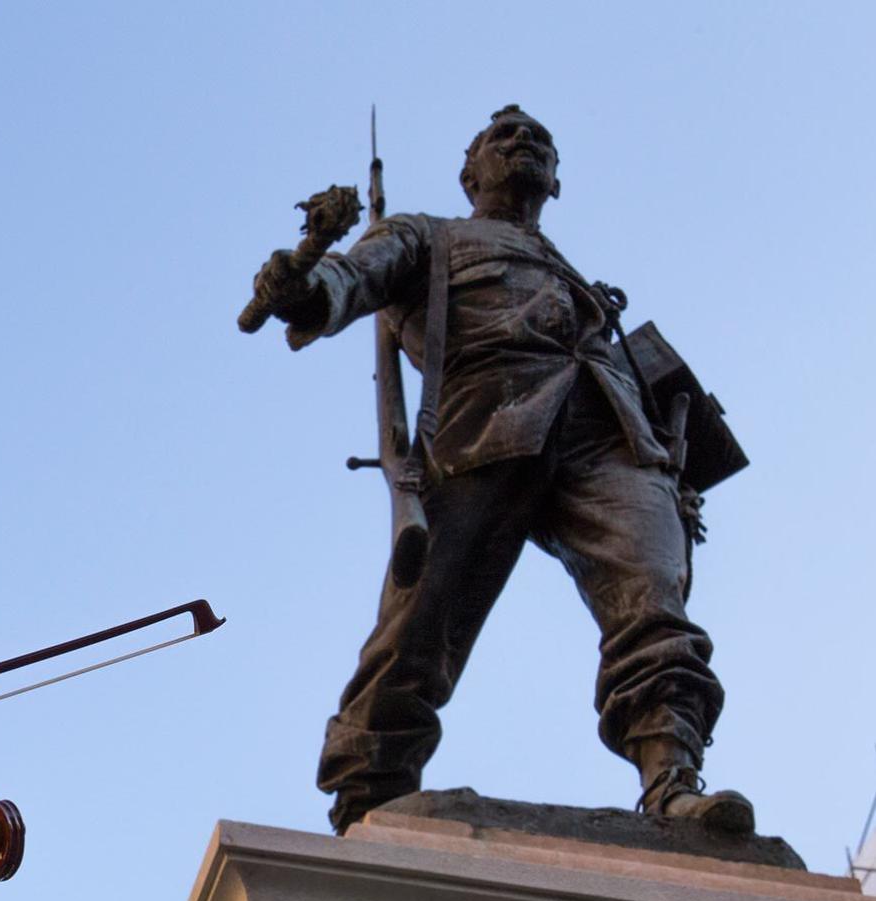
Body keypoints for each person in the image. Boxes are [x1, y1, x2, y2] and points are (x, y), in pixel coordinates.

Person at [252, 105, 753, 835]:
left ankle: (673, 779)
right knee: (419, 631)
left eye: (538, 140)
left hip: (610, 435)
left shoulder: (572, 270)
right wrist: (302, 286)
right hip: (485, 425)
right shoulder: (429, 234)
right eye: (503, 137)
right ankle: (369, 797)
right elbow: (350, 279)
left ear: (557, 179)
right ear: (469, 172)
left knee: (654, 607)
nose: (522, 143)